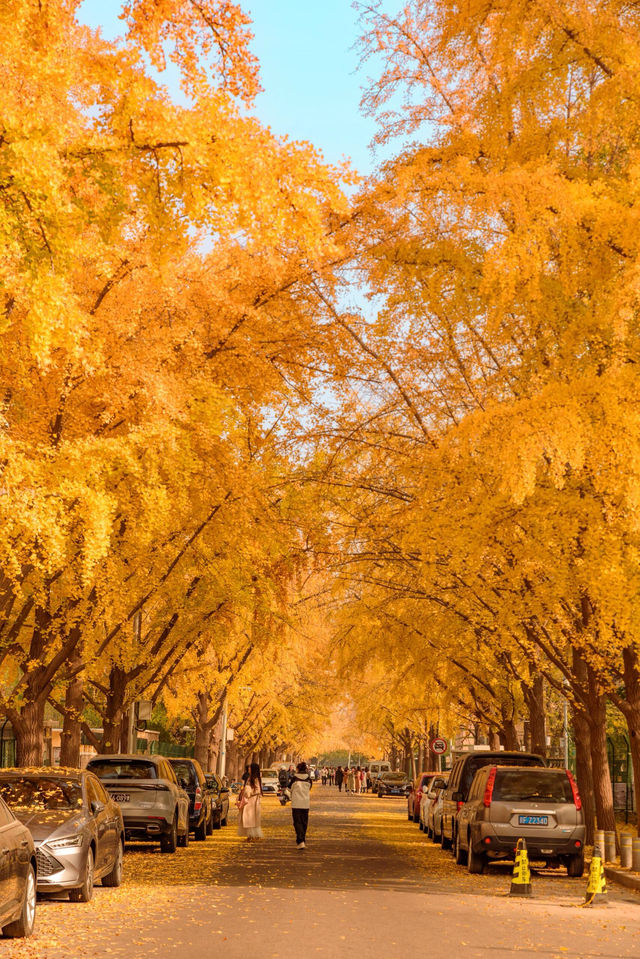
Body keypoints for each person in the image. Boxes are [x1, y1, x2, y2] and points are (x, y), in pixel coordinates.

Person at [285, 761, 313, 848]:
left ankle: (300, 841)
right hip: (305, 803)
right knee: (304, 822)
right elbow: (309, 788)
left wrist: (290, 797)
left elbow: (288, 790)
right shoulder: (308, 779)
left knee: (297, 822)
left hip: (296, 804)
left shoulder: (294, 778)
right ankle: (302, 840)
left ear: (297, 769)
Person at [237, 762, 263, 841]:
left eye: (250, 768)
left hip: (253, 801)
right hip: (248, 801)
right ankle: (250, 835)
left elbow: (258, 790)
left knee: (251, 819)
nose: (248, 769)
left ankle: (253, 835)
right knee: (248, 818)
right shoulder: (249, 777)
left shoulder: (255, 779)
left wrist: (249, 792)